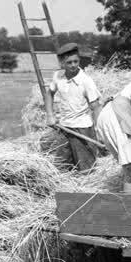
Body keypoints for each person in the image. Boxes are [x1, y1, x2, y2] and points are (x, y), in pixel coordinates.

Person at [44, 42, 101, 170]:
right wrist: (50, 115)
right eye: (69, 63)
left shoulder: (86, 81)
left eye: (76, 61)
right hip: (64, 128)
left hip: (83, 129)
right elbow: (49, 94)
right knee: (61, 166)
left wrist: (99, 130)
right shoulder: (58, 76)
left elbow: (96, 107)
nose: (73, 65)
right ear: (61, 63)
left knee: (86, 169)